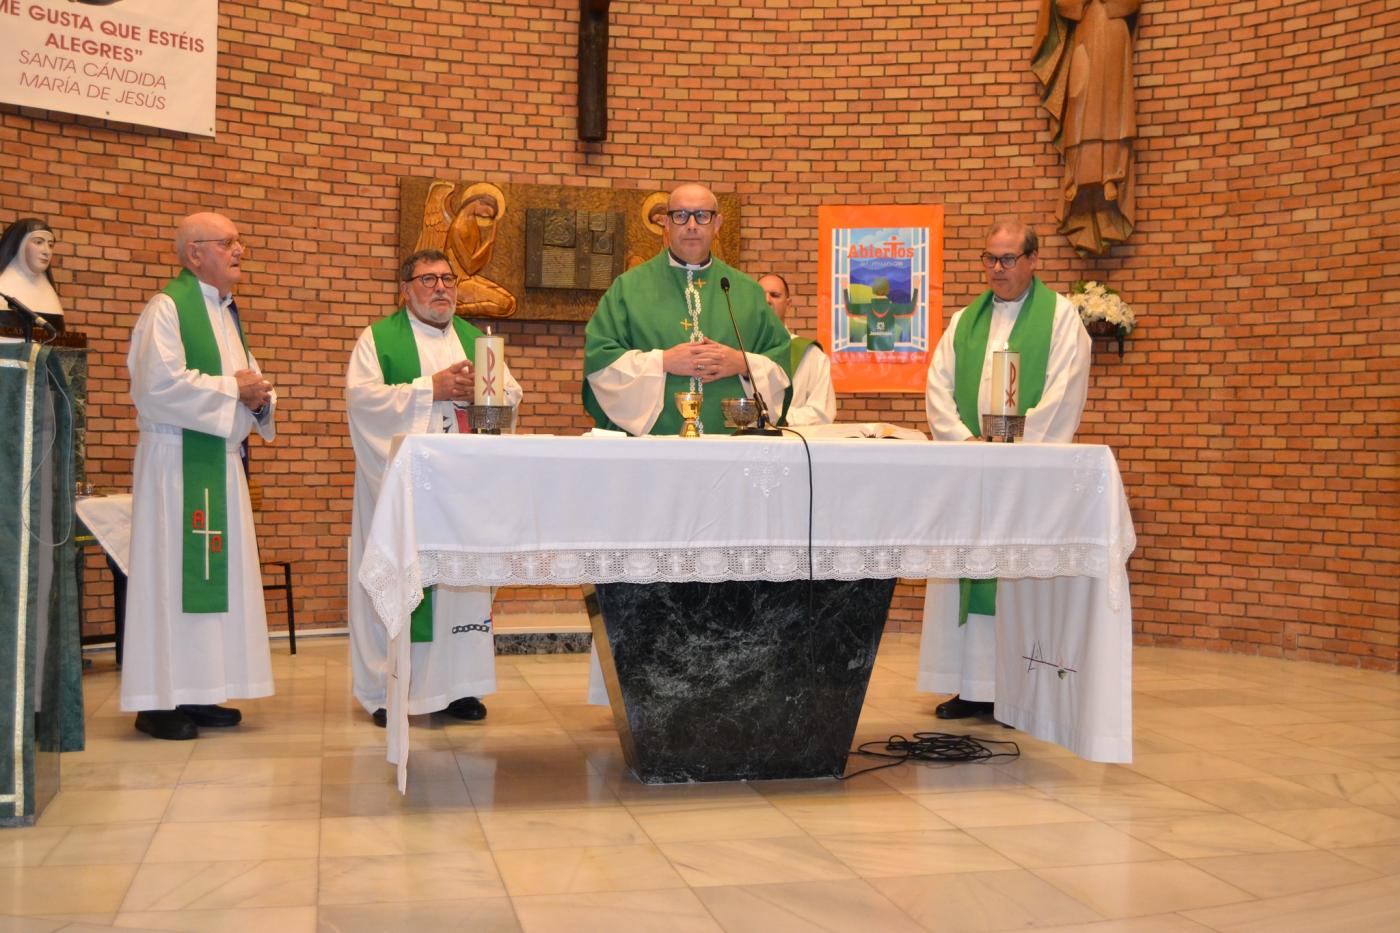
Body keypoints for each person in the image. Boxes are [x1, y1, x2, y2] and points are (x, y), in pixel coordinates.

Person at [920, 219, 1091, 719]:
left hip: (1026, 478)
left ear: (1033, 260)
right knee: (970, 566)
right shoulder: (963, 321)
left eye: (1008, 259)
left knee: (1015, 574)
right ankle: (972, 686)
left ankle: (1019, 686)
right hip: (973, 470)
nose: (997, 269)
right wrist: (967, 442)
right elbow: (938, 388)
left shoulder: (1060, 319)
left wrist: (1016, 445)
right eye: (990, 259)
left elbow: (1064, 390)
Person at [346, 248, 522, 728]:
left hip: (462, 488)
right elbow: (363, 402)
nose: (441, 288)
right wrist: (432, 390)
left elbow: (511, 396)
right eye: (428, 280)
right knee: (402, 575)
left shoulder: (476, 340)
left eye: (447, 278)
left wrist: (486, 395)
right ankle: (391, 688)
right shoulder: (378, 338)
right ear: (405, 289)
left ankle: (457, 687)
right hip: (402, 487)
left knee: (461, 584)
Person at [123, 212, 276, 740]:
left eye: (240, 240)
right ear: (194, 254)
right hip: (175, 464)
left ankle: (201, 690)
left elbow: (246, 379)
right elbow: (156, 387)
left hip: (218, 462)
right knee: (171, 577)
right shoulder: (168, 309)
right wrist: (236, 390)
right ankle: (157, 701)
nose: (240, 250)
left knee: (216, 578)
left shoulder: (226, 313)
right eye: (229, 242)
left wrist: (259, 398)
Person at [583, 182, 790, 436]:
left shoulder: (745, 291)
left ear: (717, 224)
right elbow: (600, 363)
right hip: (654, 448)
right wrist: (662, 361)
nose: (691, 225)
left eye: (702, 216)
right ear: (666, 224)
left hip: (731, 448)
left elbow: (780, 364)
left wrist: (743, 363)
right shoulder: (628, 288)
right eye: (680, 216)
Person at [1032, 0, 1140, 255]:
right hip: (1085, 33)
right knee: (1078, 105)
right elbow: (1063, 6)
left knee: (1113, 111)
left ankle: (1111, 176)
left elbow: (1132, 4)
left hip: (1114, 34)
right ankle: (1075, 175)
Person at [757, 273, 836, 426]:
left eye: (775, 295)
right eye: (761, 295)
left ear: (788, 304)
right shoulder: (741, 350)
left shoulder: (811, 355)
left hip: (792, 444)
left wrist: (776, 417)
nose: (767, 300)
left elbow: (822, 413)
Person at [0, 217, 64, 331]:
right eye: (38, 242)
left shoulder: (49, 292)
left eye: (50, 245)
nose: (46, 251)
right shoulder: (2, 287)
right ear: (20, 245)